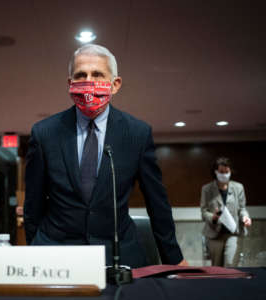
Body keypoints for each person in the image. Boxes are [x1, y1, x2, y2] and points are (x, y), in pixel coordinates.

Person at [24, 44, 187, 267]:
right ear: (70, 84)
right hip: (56, 254)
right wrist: (35, 250)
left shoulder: (137, 133)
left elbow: (157, 202)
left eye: (97, 74)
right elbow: (33, 204)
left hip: (118, 254)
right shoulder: (44, 133)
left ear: (115, 84)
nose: (88, 81)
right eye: (81, 75)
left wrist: (174, 260)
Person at [200, 157, 251, 266]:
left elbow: (242, 208)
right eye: (221, 172)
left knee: (230, 264)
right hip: (214, 234)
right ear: (216, 172)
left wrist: (245, 217)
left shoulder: (238, 187)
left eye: (226, 172)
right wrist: (213, 217)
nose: (224, 174)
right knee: (217, 267)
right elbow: (204, 212)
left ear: (230, 171)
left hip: (233, 232)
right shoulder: (207, 189)